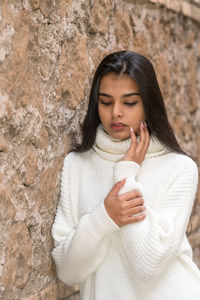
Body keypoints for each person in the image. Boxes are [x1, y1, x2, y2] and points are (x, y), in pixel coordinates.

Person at [51, 51, 200, 300]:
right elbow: (68, 271)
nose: (116, 112)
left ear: (148, 104)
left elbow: (149, 266)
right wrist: (105, 217)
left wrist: (127, 173)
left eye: (129, 102)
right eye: (106, 102)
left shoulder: (179, 168)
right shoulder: (77, 165)